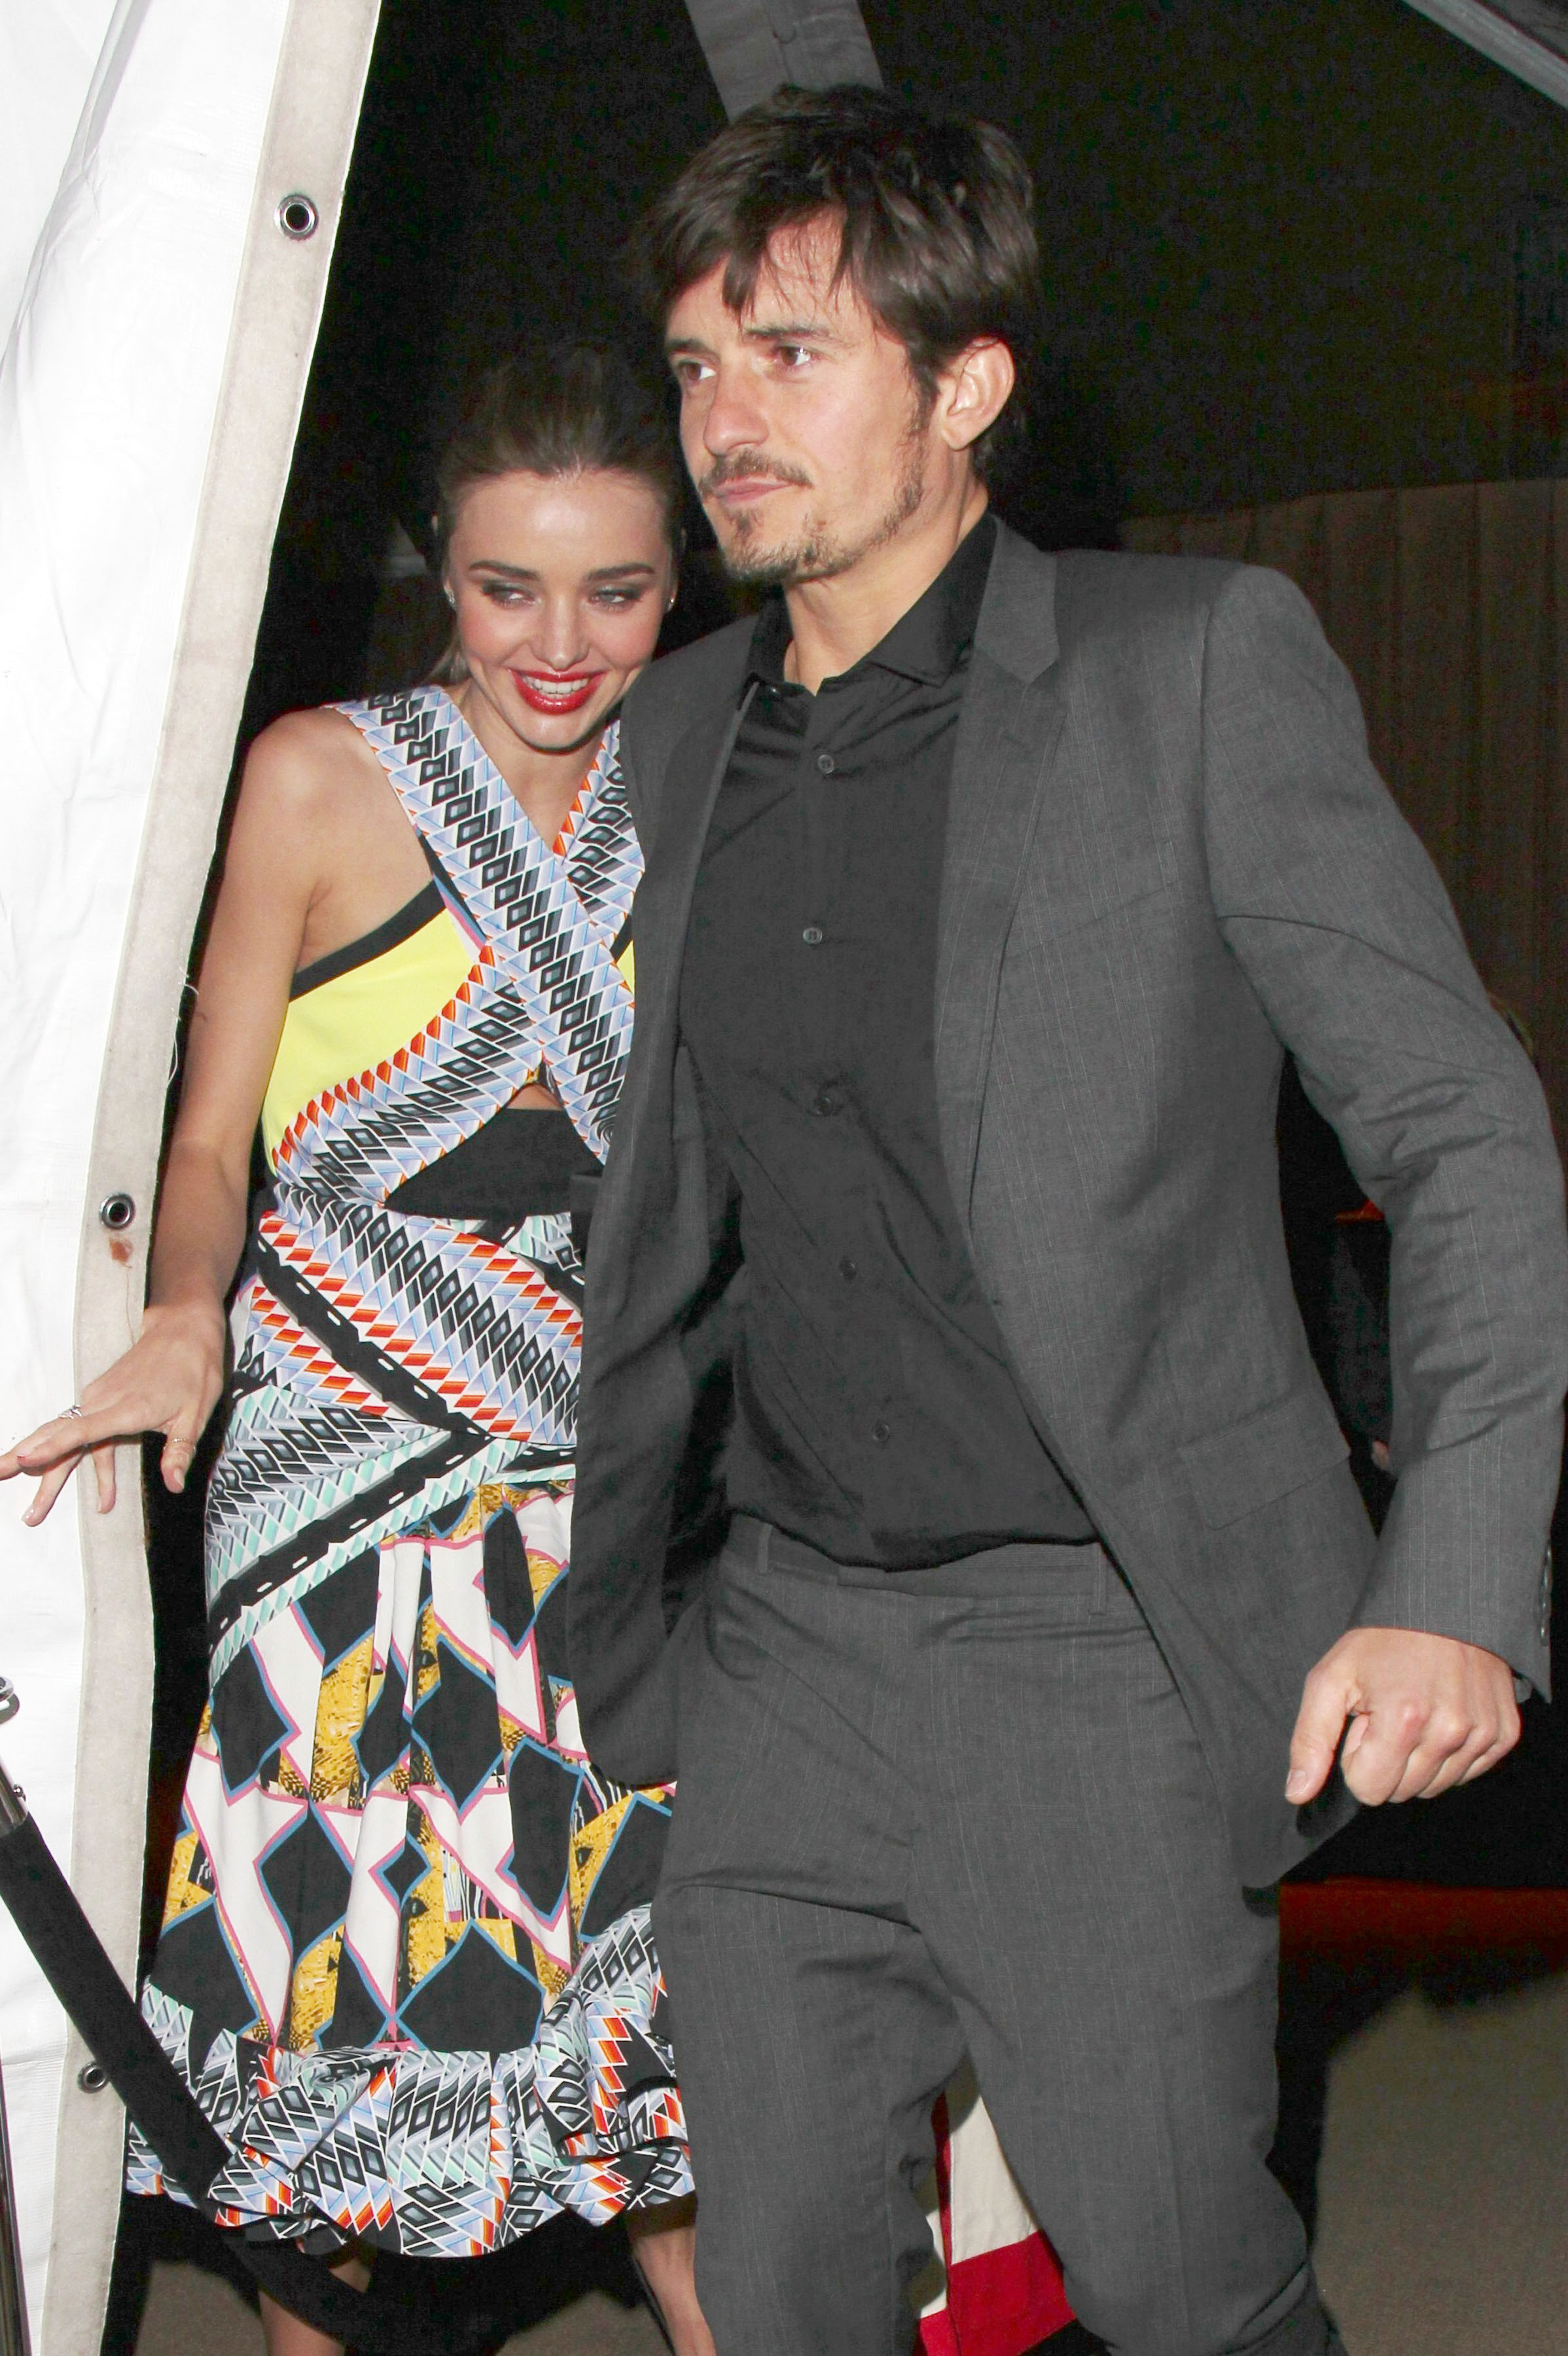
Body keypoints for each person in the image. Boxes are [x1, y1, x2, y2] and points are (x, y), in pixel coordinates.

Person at [565, 85, 1568, 2356]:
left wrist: (1451, 1582)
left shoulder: (1185, 666)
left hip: (1091, 1646)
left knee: (1175, 2285)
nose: (722, 420)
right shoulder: (680, 727)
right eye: (697, 365)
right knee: (778, 2294)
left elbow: (1461, 1130)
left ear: (966, 386)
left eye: (789, 355)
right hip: (780, 1640)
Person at [0, 346, 715, 2356]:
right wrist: (180, 1314)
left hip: (596, 1457)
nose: (557, 644)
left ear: (683, 579)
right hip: (334, 1456)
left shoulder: (710, 775)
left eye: (614, 590)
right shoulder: (320, 776)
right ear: (440, 573)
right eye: (503, 587)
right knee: (334, 1988)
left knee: (662, 2027)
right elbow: (207, 1142)